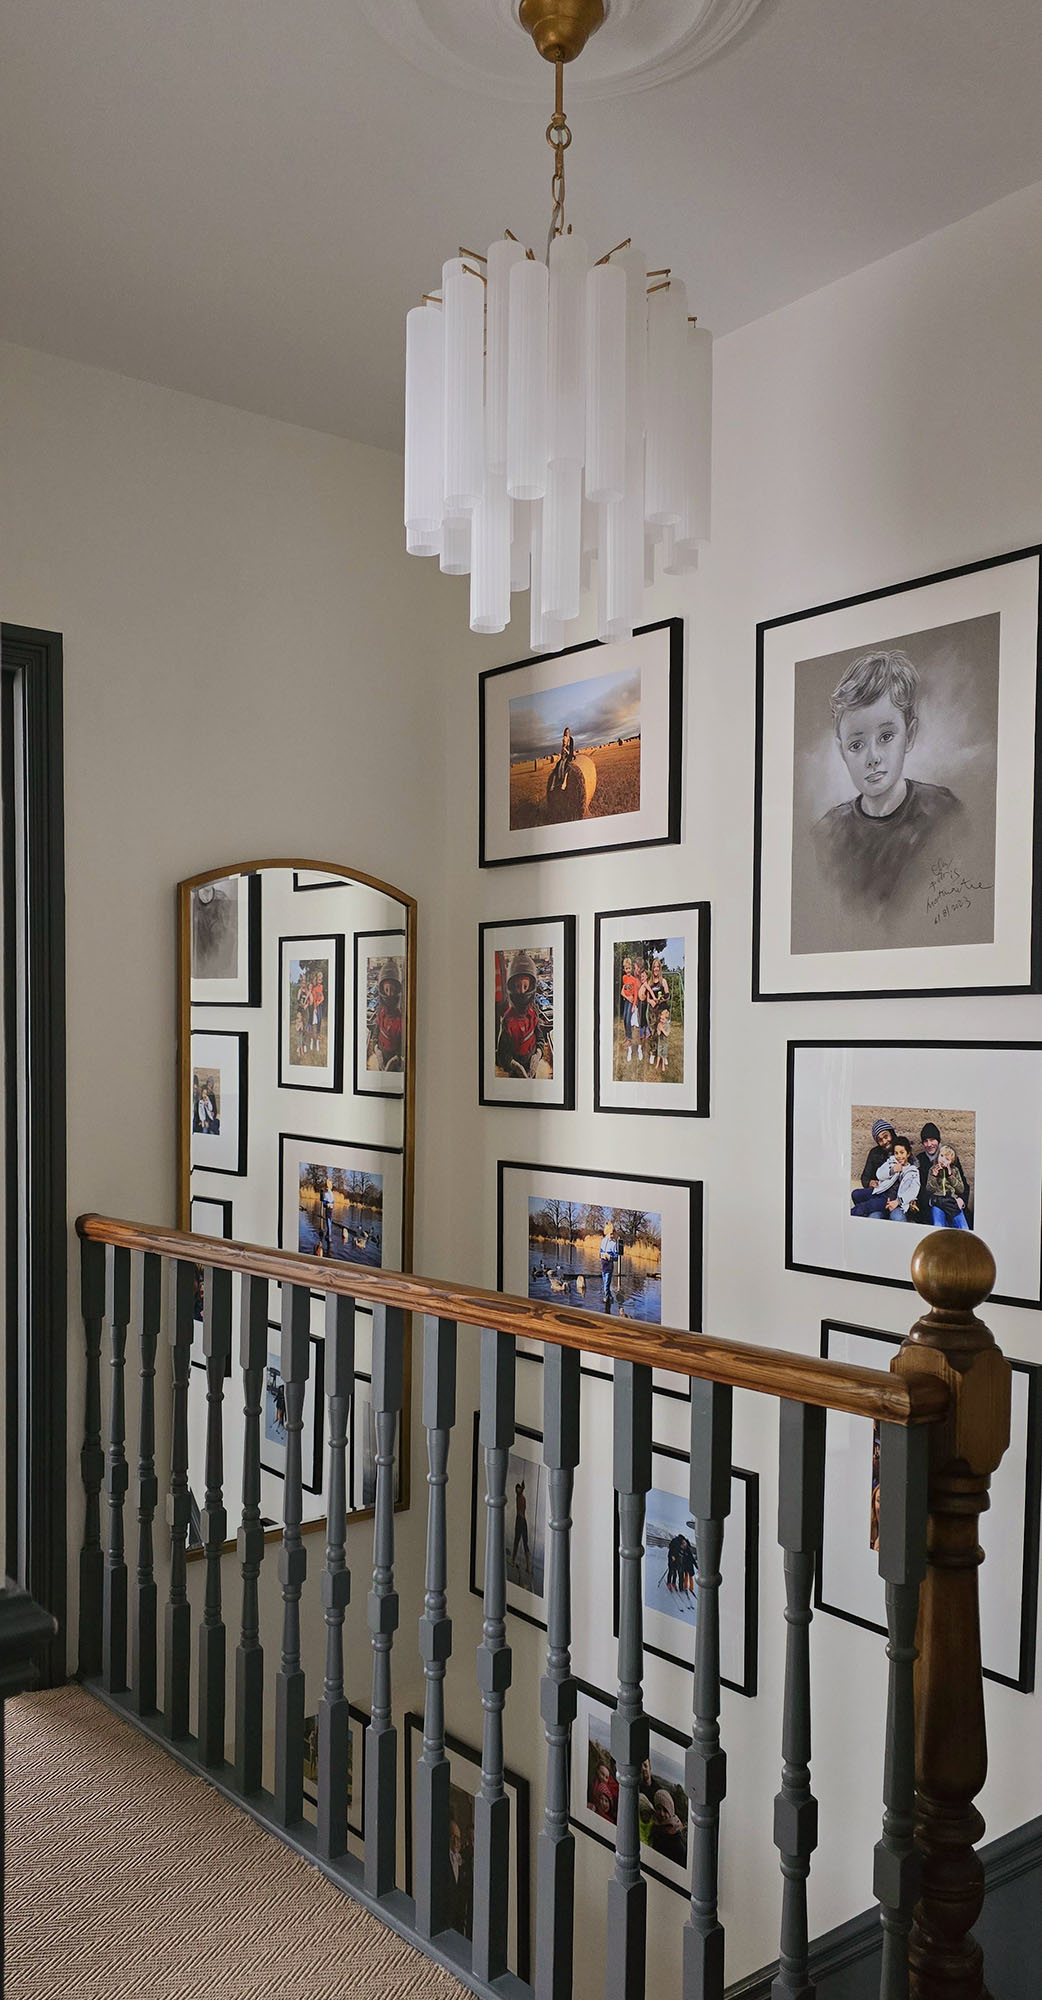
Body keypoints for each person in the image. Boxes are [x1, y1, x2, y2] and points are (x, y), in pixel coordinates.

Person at [811, 650, 961, 919]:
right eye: (856, 745)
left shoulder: (944, 814)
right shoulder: (827, 834)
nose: (873, 758)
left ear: (909, 735)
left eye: (886, 737)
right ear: (843, 751)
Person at [495, 950, 549, 1079]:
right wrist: (514, 1065)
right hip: (516, 1072)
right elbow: (503, 1054)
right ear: (512, 988)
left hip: (532, 1065)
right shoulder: (508, 1020)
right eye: (518, 987)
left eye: (525, 986)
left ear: (531, 987)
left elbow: (539, 1037)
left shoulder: (533, 1013)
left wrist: (538, 1054)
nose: (522, 992)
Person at [916, 1122, 971, 1223]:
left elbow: (963, 1184)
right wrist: (933, 1201)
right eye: (925, 1141)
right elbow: (920, 1188)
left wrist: (961, 1200)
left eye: (932, 1140)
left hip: (953, 1202)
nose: (929, 1144)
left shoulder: (950, 1158)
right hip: (933, 1206)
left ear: (938, 1140)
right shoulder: (920, 1160)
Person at [850, 1117, 896, 1215]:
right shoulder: (874, 1153)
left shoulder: (900, 1149)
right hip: (879, 1190)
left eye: (886, 1136)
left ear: (891, 1133)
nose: (884, 1141)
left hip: (894, 1196)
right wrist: (870, 1182)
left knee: (871, 1213)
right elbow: (865, 1177)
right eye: (880, 1140)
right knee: (855, 1194)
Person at [368, 959, 404, 1072]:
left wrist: (397, 1057)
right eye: (386, 990)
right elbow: (377, 1030)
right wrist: (376, 1046)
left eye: (392, 990)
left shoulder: (401, 1018)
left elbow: (403, 1041)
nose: (389, 994)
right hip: (381, 1054)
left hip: (395, 1061)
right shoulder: (381, 1012)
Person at [925, 1142, 970, 1228]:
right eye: (941, 1156)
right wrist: (934, 1176)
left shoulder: (955, 1170)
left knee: (963, 1227)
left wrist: (950, 1176)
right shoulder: (932, 1169)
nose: (943, 1160)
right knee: (938, 1225)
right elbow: (929, 1189)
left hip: (951, 1201)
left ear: (951, 1161)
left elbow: (961, 1189)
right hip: (937, 1200)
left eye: (947, 1159)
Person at [648, 1790, 687, 1867]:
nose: (662, 1814)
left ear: (671, 1811)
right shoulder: (653, 1826)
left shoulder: (677, 1837)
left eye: (665, 1810)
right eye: (658, 1808)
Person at [619, 955, 642, 1065]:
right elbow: (623, 990)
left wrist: (634, 1005)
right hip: (626, 1000)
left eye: (629, 968)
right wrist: (627, 997)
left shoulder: (634, 979)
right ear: (624, 969)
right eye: (626, 968)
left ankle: (629, 1039)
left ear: (631, 968)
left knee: (628, 1018)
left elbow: (636, 994)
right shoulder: (624, 978)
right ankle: (627, 1036)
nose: (628, 970)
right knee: (624, 1018)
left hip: (631, 1002)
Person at [511, 1478, 531, 1576]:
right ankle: (517, 1562)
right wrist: (523, 1485)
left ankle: (527, 1566)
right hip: (522, 1520)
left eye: (518, 1488)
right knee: (519, 1542)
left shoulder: (520, 1496)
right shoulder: (520, 1496)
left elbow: (522, 1489)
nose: (517, 1490)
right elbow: (522, 1489)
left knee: (521, 1542)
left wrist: (523, 1485)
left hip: (520, 1520)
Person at [599, 1220, 621, 1308]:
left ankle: (606, 1298)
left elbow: (616, 1257)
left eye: (613, 1234)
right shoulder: (603, 1241)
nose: (612, 1235)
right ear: (607, 1233)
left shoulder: (614, 1244)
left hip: (609, 1266)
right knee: (605, 1284)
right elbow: (600, 1253)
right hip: (603, 1265)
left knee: (606, 1285)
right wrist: (602, 1255)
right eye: (611, 1234)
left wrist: (610, 1257)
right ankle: (610, 1298)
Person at [549, 724, 576, 793]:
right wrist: (562, 756)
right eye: (566, 732)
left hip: (569, 755)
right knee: (558, 765)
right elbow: (562, 751)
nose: (567, 733)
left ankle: (564, 782)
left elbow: (571, 750)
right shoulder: (564, 740)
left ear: (569, 732)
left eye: (568, 732)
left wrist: (566, 750)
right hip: (564, 756)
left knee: (566, 766)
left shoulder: (571, 739)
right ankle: (555, 783)